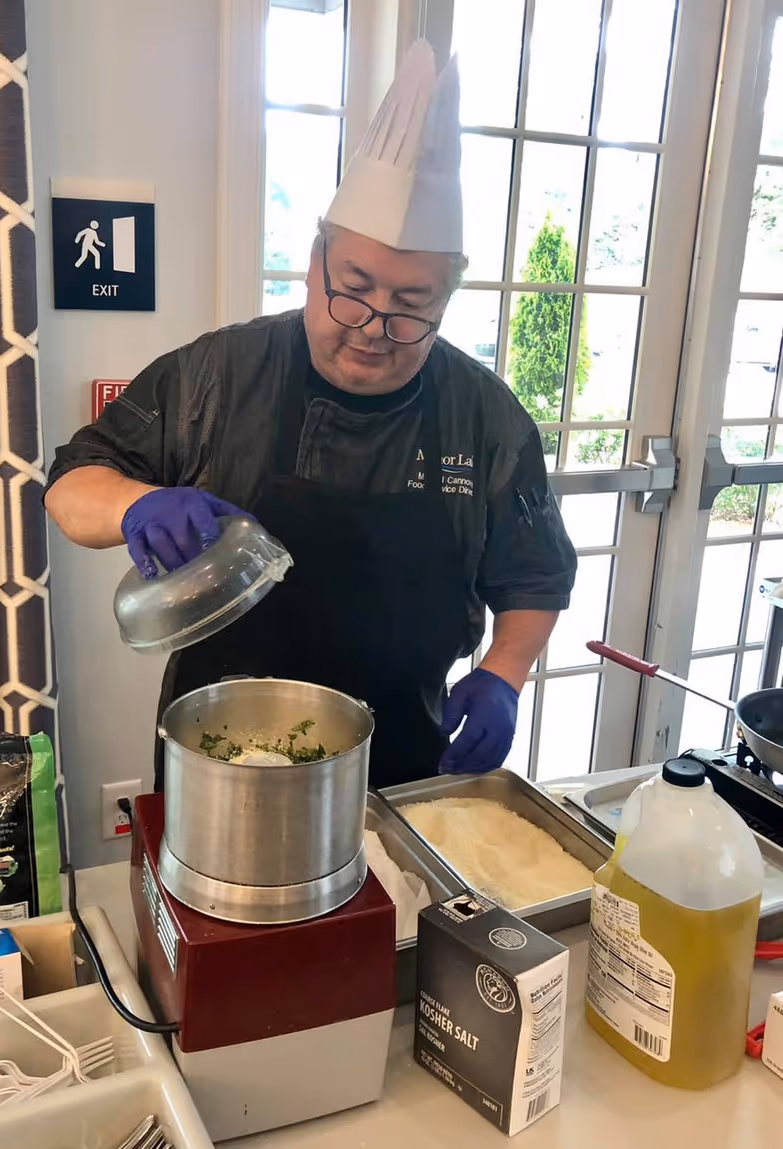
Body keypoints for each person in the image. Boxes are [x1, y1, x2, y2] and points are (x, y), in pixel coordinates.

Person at [44, 42, 576, 789]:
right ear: (314, 260)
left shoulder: (483, 416)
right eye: (353, 288)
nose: (371, 325)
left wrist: (504, 674)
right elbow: (71, 485)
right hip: (215, 762)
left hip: (400, 766)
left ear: (445, 303)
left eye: (410, 308)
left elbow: (534, 577)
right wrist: (138, 504)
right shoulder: (220, 374)